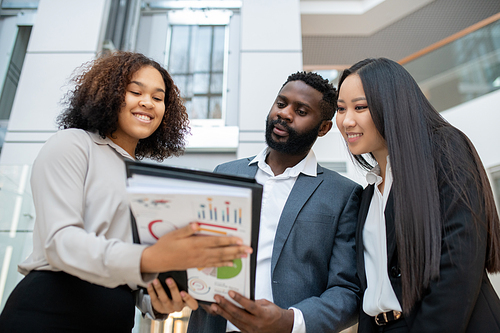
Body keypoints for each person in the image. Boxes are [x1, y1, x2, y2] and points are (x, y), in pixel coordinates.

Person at [0, 51, 252, 332]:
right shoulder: (73, 144)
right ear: (109, 93)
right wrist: (151, 259)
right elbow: (60, 242)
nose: (148, 103)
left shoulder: (149, 181)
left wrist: (158, 302)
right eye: (135, 91)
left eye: (158, 98)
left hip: (116, 320)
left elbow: (134, 280)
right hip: (52, 310)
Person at [186, 71, 362, 333]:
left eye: (301, 111)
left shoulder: (343, 194)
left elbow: (347, 290)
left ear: (324, 127)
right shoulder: (225, 173)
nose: (285, 114)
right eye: (281, 104)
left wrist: (289, 321)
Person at [335, 57, 500, 332]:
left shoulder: (444, 149)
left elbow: (458, 265)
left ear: (392, 104)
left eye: (360, 107)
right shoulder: (367, 195)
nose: (346, 120)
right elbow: (372, 289)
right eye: (341, 109)